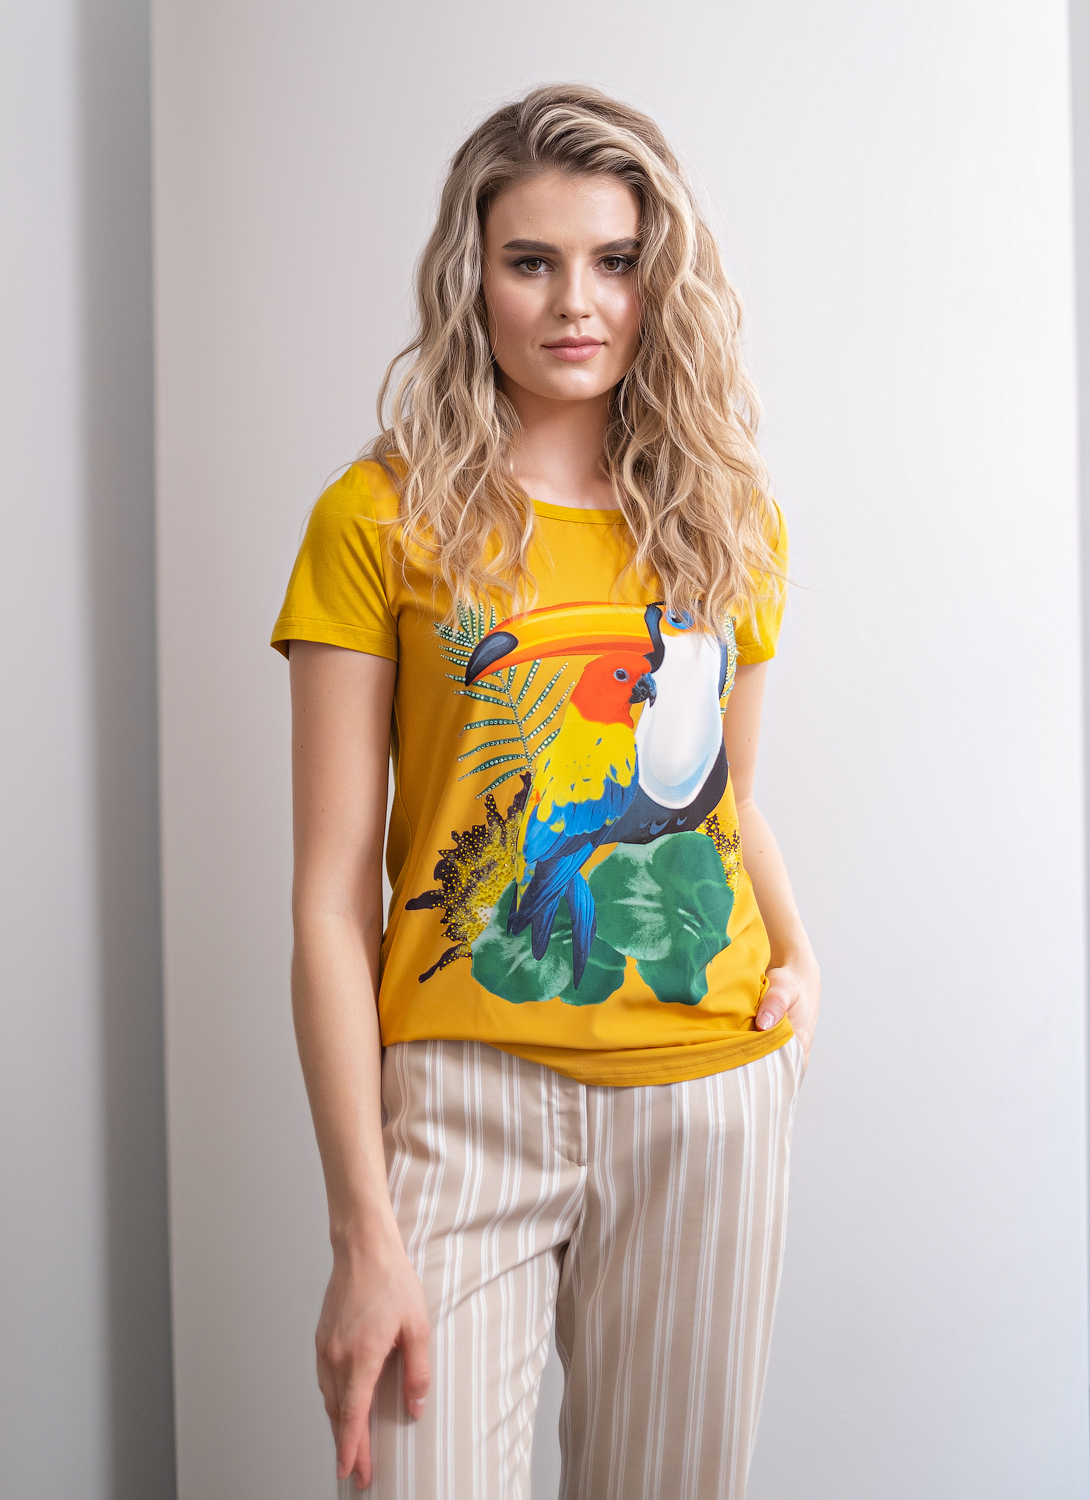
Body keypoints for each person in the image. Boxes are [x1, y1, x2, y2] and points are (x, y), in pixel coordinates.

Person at [271, 83, 820, 1500]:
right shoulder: (377, 520)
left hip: (703, 1098)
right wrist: (361, 1229)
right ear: (473, 279)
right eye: (531, 261)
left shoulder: (726, 521)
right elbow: (329, 900)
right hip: (462, 1102)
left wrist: (802, 958)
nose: (576, 301)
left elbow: (722, 798)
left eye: (614, 260)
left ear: (659, 279)